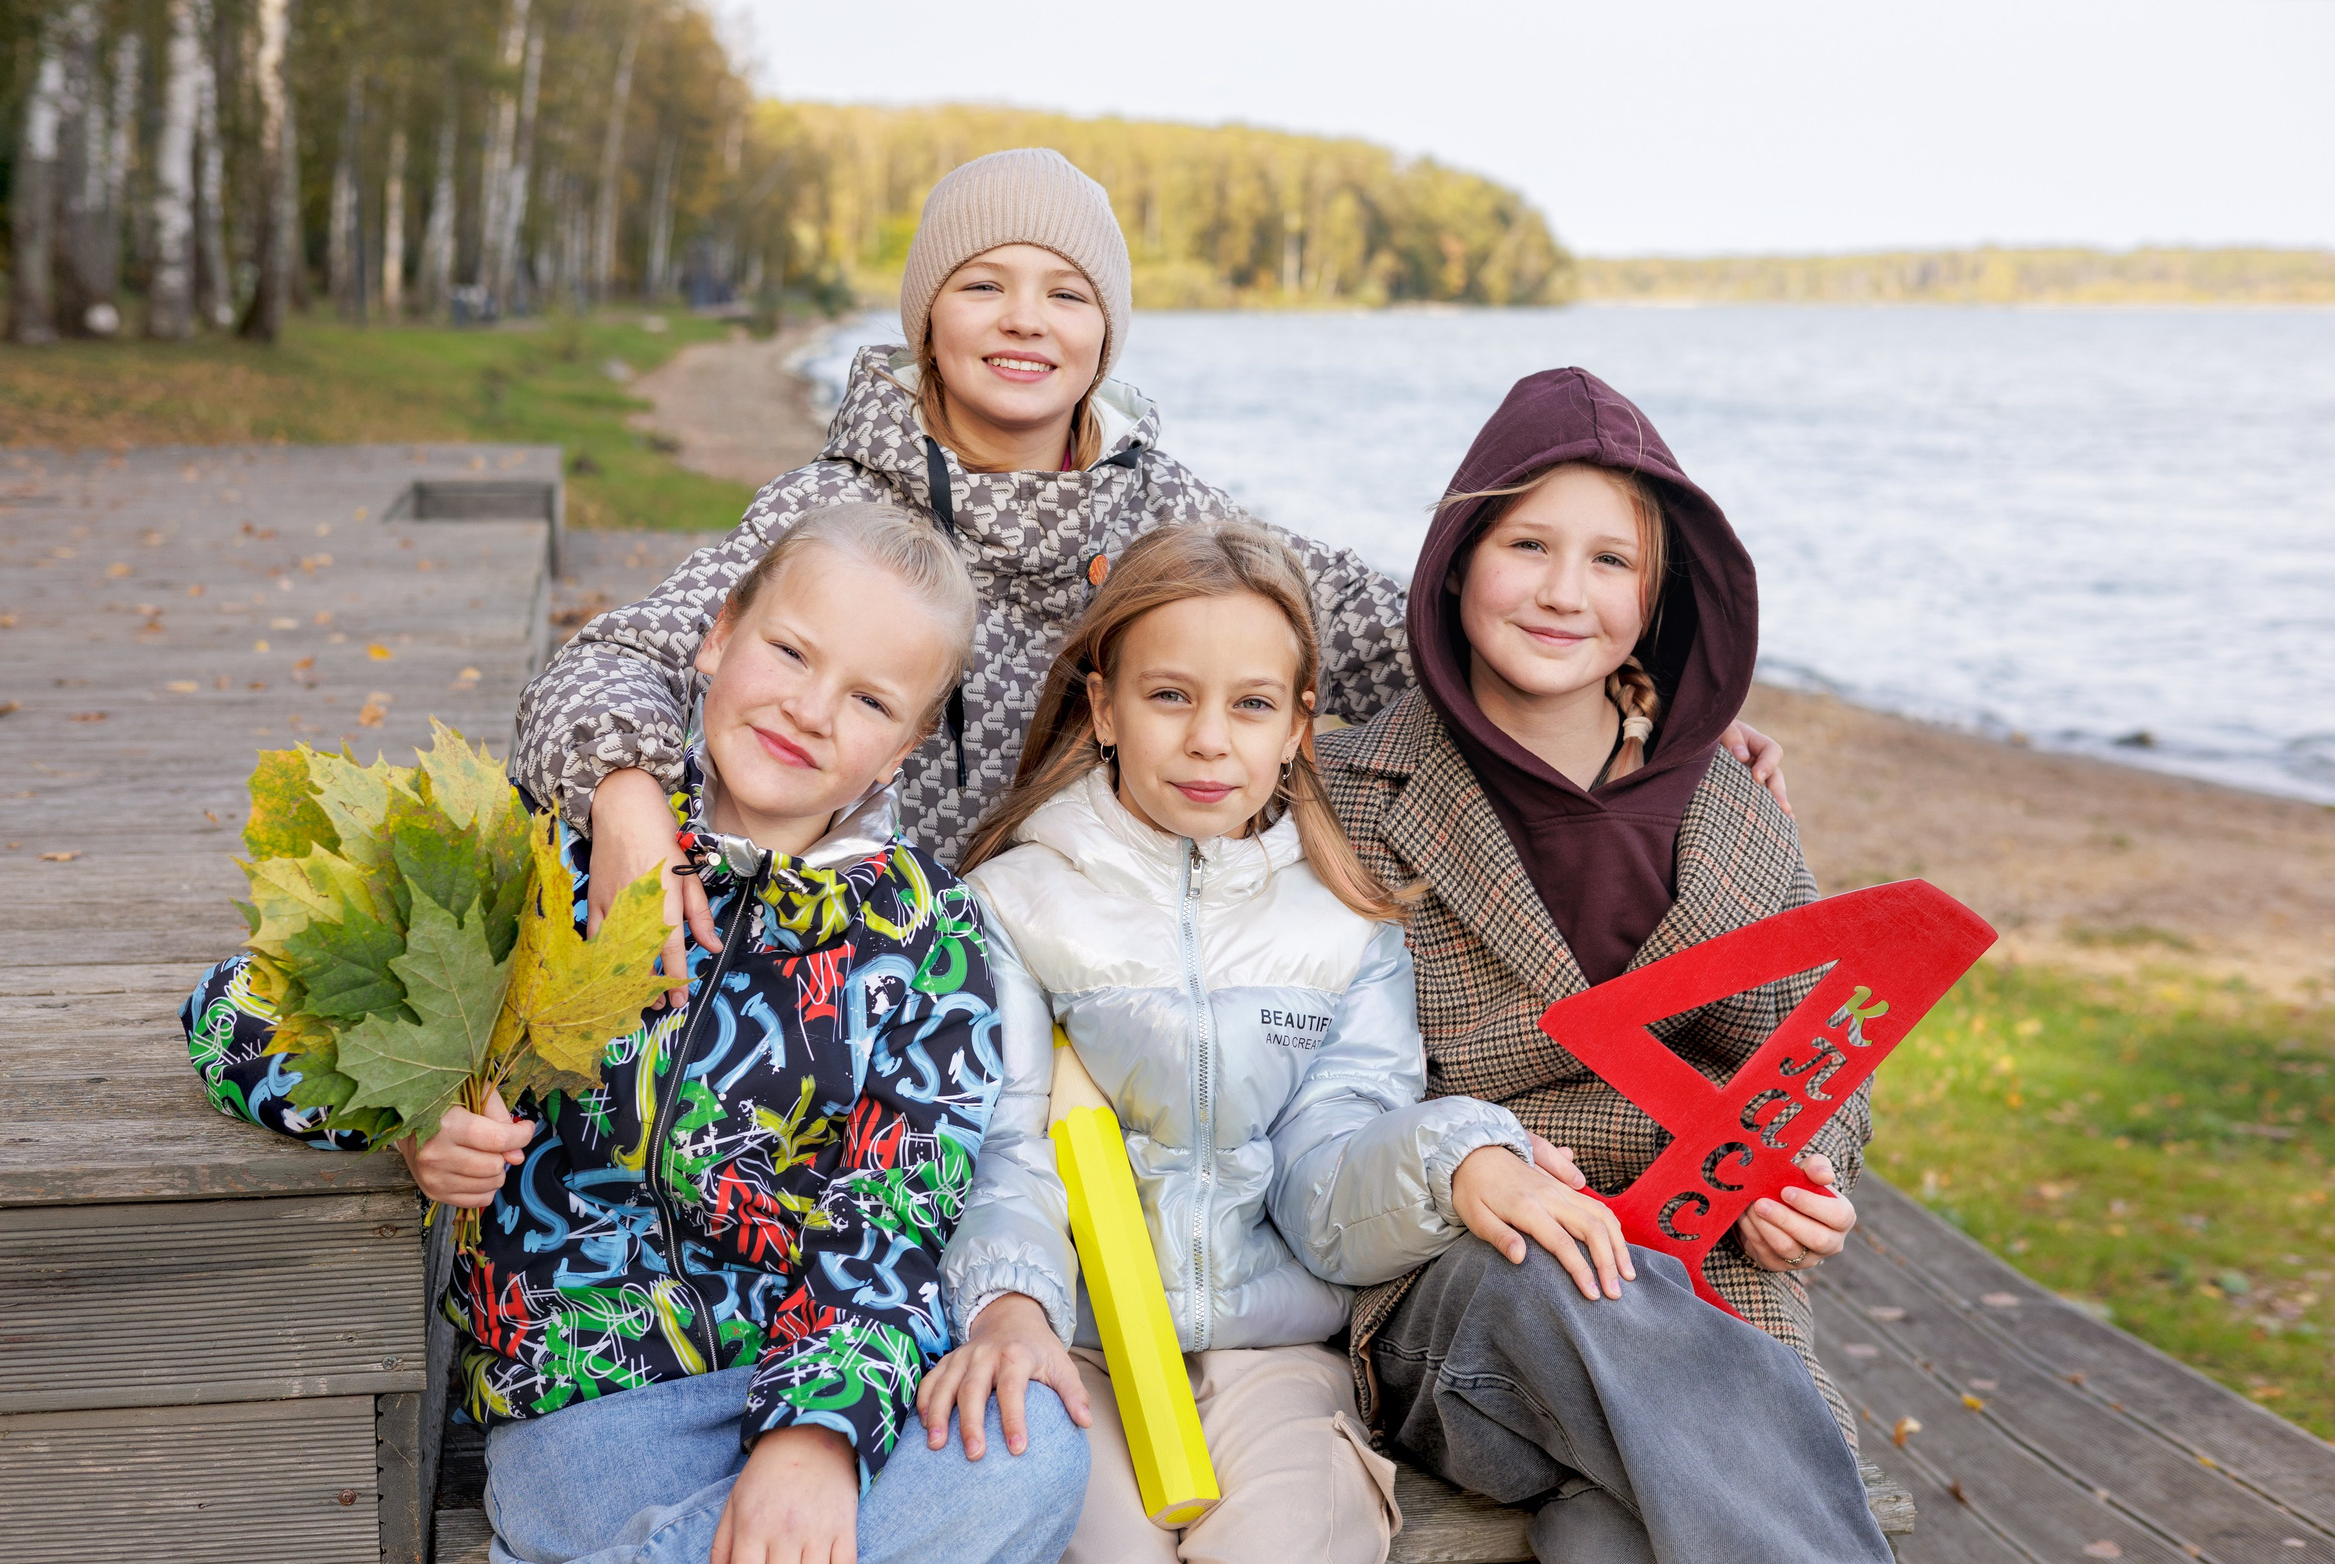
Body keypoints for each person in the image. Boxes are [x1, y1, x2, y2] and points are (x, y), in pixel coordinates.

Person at [182, 505, 1088, 1564]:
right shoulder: (541, 854)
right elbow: (234, 1011)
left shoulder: (926, 935)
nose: (813, 711)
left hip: (829, 1374)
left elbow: (894, 1218)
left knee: (1032, 1464)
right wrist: (408, 1115)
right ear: (713, 641)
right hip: (590, 1394)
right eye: (790, 654)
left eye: (871, 702)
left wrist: (814, 1437)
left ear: (906, 751)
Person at [506, 146, 1786, 983]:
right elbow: (601, 669)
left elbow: (1423, 628)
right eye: (983, 286)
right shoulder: (833, 514)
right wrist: (622, 803)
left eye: (1066, 293)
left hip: (1106, 972)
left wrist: (1651, 710)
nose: (1023, 320)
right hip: (852, 998)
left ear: (1106, 332)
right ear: (927, 319)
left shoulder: (1171, 515)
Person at [1319, 368, 2006, 1564]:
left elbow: (1813, 1060)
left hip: (1710, 1285)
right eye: (1527, 543)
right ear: (1457, 561)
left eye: (1609, 558)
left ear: (1655, 595)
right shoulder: (1353, 793)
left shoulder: (1727, 805)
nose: (1563, 589)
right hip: (1469, 1288)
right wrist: (1473, 1167)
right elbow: (1319, 1090)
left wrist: (1804, 1168)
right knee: (1558, 1275)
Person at [922, 518, 1554, 1564]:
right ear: (1102, 707)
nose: (1210, 740)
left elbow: (1329, 1187)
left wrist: (1457, 1156)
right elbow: (1000, 1152)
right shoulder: (1009, 906)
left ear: (1300, 724)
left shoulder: (1346, 927)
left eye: (1252, 706)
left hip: (1272, 1358)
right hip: (1072, 1356)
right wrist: (1006, 1307)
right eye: (1169, 695)